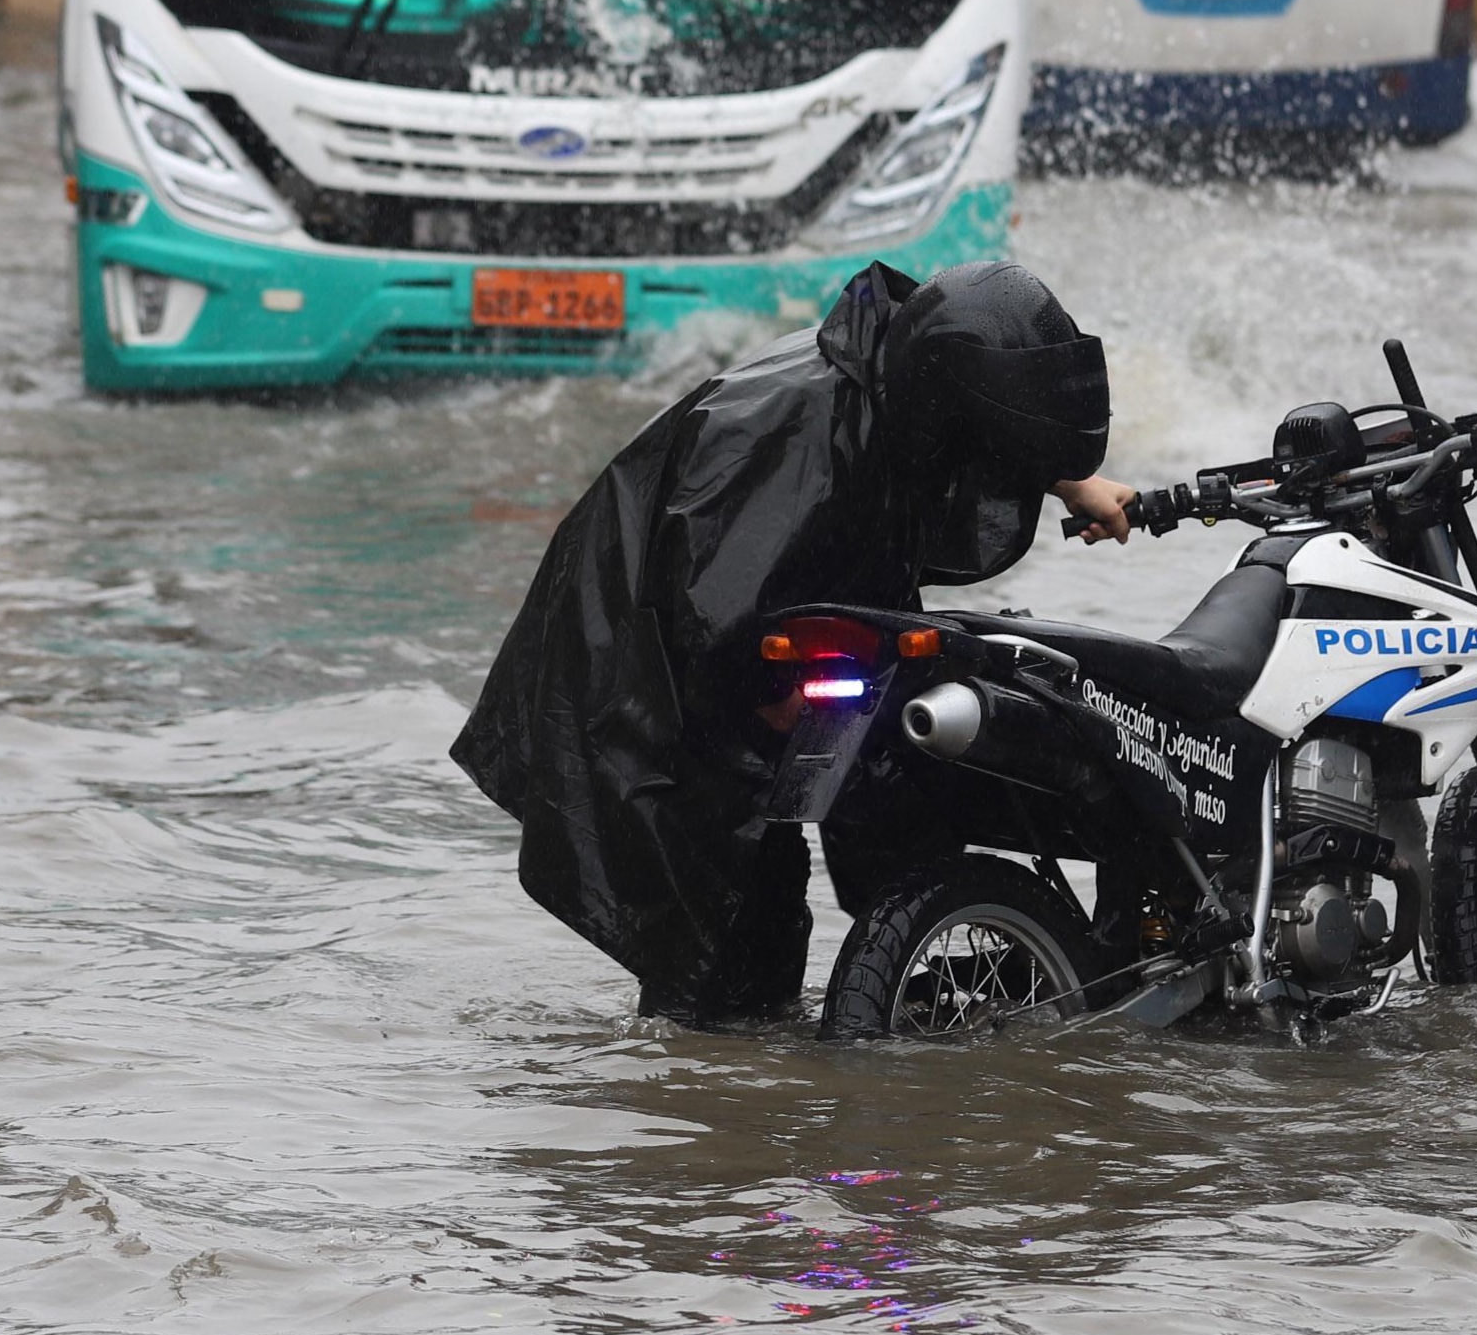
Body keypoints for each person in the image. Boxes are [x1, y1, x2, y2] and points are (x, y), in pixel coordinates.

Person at [453, 263, 1141, 1029]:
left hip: (765, 612)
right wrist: (769, 694)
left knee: (894, 793)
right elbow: (712, 608)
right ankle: (691, 1114)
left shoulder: (899, 373)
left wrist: (1069, 482)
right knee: (724, 937)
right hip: (646, 654)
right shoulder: (785, 436)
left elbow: (976, 422)